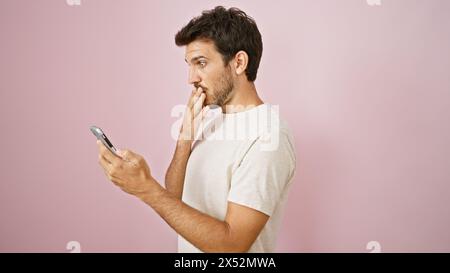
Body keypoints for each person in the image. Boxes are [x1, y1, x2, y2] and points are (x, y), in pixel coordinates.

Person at [96, 6, 296, 253]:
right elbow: (175, 197)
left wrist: (146, 188)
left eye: (201, 63)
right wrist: (185, 138)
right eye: (189, 65)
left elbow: (233, 245)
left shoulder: (268, 135)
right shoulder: (212, 121)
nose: (191, 78)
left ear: (239, 62)